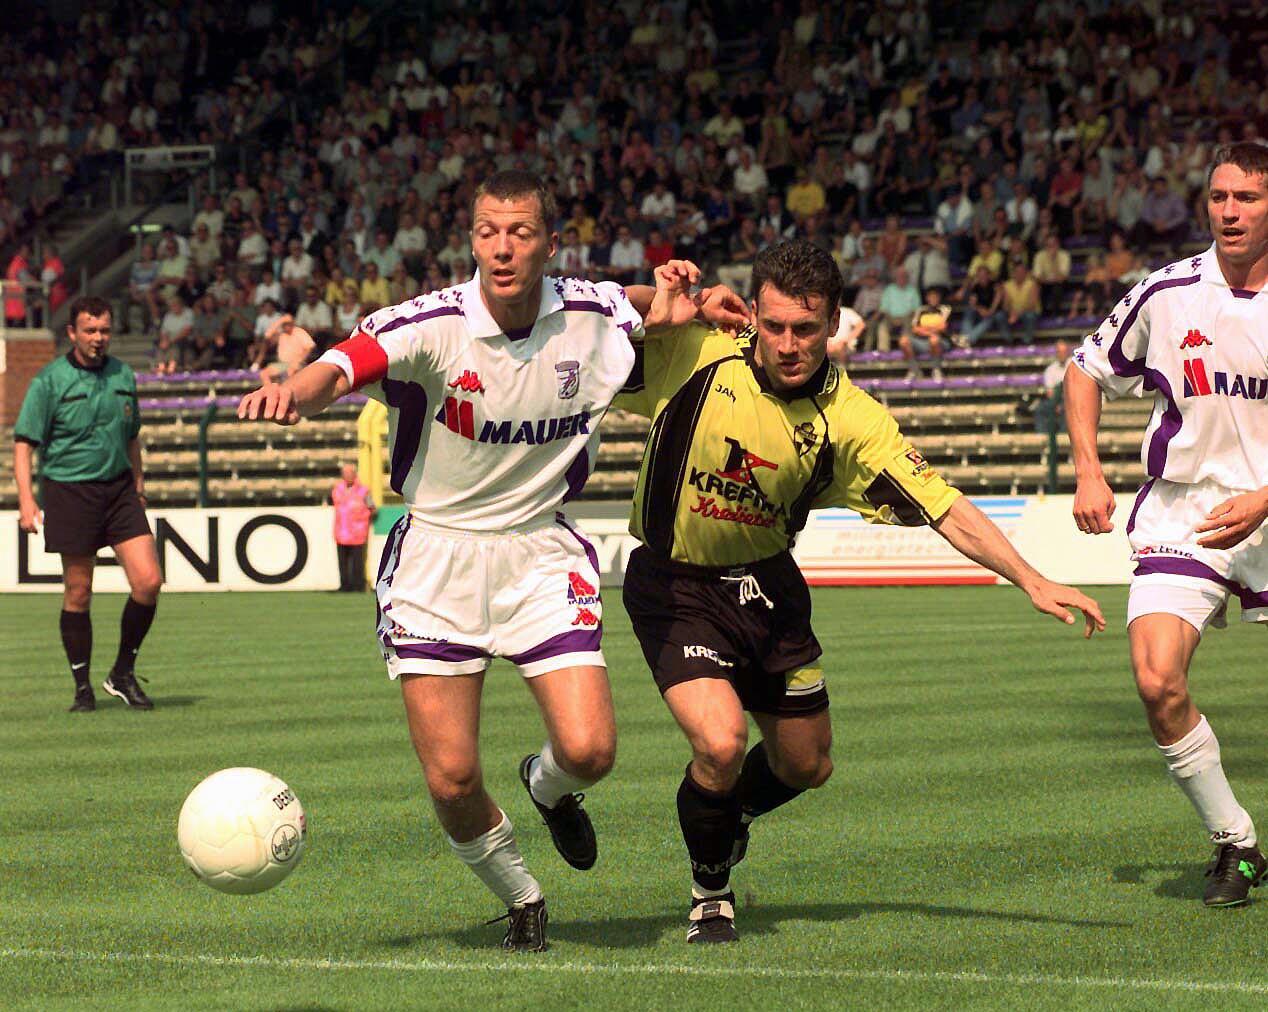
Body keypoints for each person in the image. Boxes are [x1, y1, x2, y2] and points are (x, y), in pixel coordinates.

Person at [237, 171, 746, 951]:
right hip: (437, 557)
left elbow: (629, 300)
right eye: (486, 232)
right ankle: (522, 896)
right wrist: (292, 392)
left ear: (549, 243)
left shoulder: (587, 310)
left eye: (518, 233)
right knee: (452, 778)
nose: (501, 248)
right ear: (470, 239)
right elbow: (345, 362)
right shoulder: (431, 324)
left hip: (541, 550)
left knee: (591, 751)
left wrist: (689, 300)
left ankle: (546, 788)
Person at [616, 238, 1104, 944]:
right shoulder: (693, 350)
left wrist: (1030, 577)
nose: (789, 344)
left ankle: (735, 814)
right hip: (675, 583)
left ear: (835, 322)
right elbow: (558, 309)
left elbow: (941, 504)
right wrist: (652, 299)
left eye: (807, 329)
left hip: (769, 588)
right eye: (775, 325)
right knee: (720, 744)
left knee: (808, 765)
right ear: (753, 313)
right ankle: (710, 887)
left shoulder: (853, 419)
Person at [1064, 142, 1268, 907]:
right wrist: (1089, 468)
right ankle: (1236, 842)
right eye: (1219, 196)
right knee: (1156, 679)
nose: (1230, 210)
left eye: (1247, 197)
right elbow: (1084, 369)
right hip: (1187, 509)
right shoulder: (1167, 291)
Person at [13, 295, 162, 712]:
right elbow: (24, 443)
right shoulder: (49, 381)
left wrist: (138, 483)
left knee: (148, 582)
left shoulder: (123, 374)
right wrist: (26, 500)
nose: (98, 338)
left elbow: (132, 435)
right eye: (90, 330)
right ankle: (82, 687)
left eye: (104, 330)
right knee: (79, 591)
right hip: (69, 491)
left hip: (119, 491)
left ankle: (122, 673)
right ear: (73, 333)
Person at [330, 463, 376, 591]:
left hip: (358, 532)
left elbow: (372, 507)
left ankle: (358, 585)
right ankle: (344, 585)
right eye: (345, 473)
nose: (348, 475)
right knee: (342, 562)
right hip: (341, 531)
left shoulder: (364, 491)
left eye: (350, 473)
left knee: (358, 561)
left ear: (355, 474)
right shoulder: (337, 489)